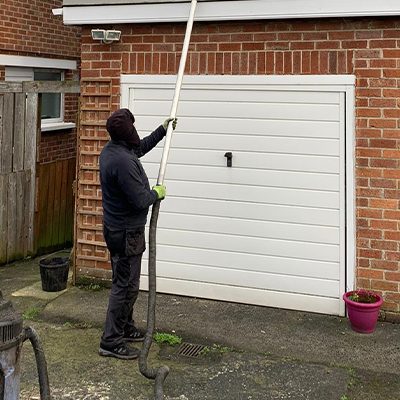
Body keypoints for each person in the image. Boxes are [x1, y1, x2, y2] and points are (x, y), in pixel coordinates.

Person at [98, 108, 176, 360]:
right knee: (126, 286)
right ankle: (111, 341)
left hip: (120, 230)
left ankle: (125, 327)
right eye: (132, 127)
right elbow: (140, 199)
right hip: (125, 233)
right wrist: (156, 193)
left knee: (126, 283)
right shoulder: (120, 161)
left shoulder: (116, 150)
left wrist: (162, 131)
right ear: (125, 132)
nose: (135, 131)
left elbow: (139, 148)